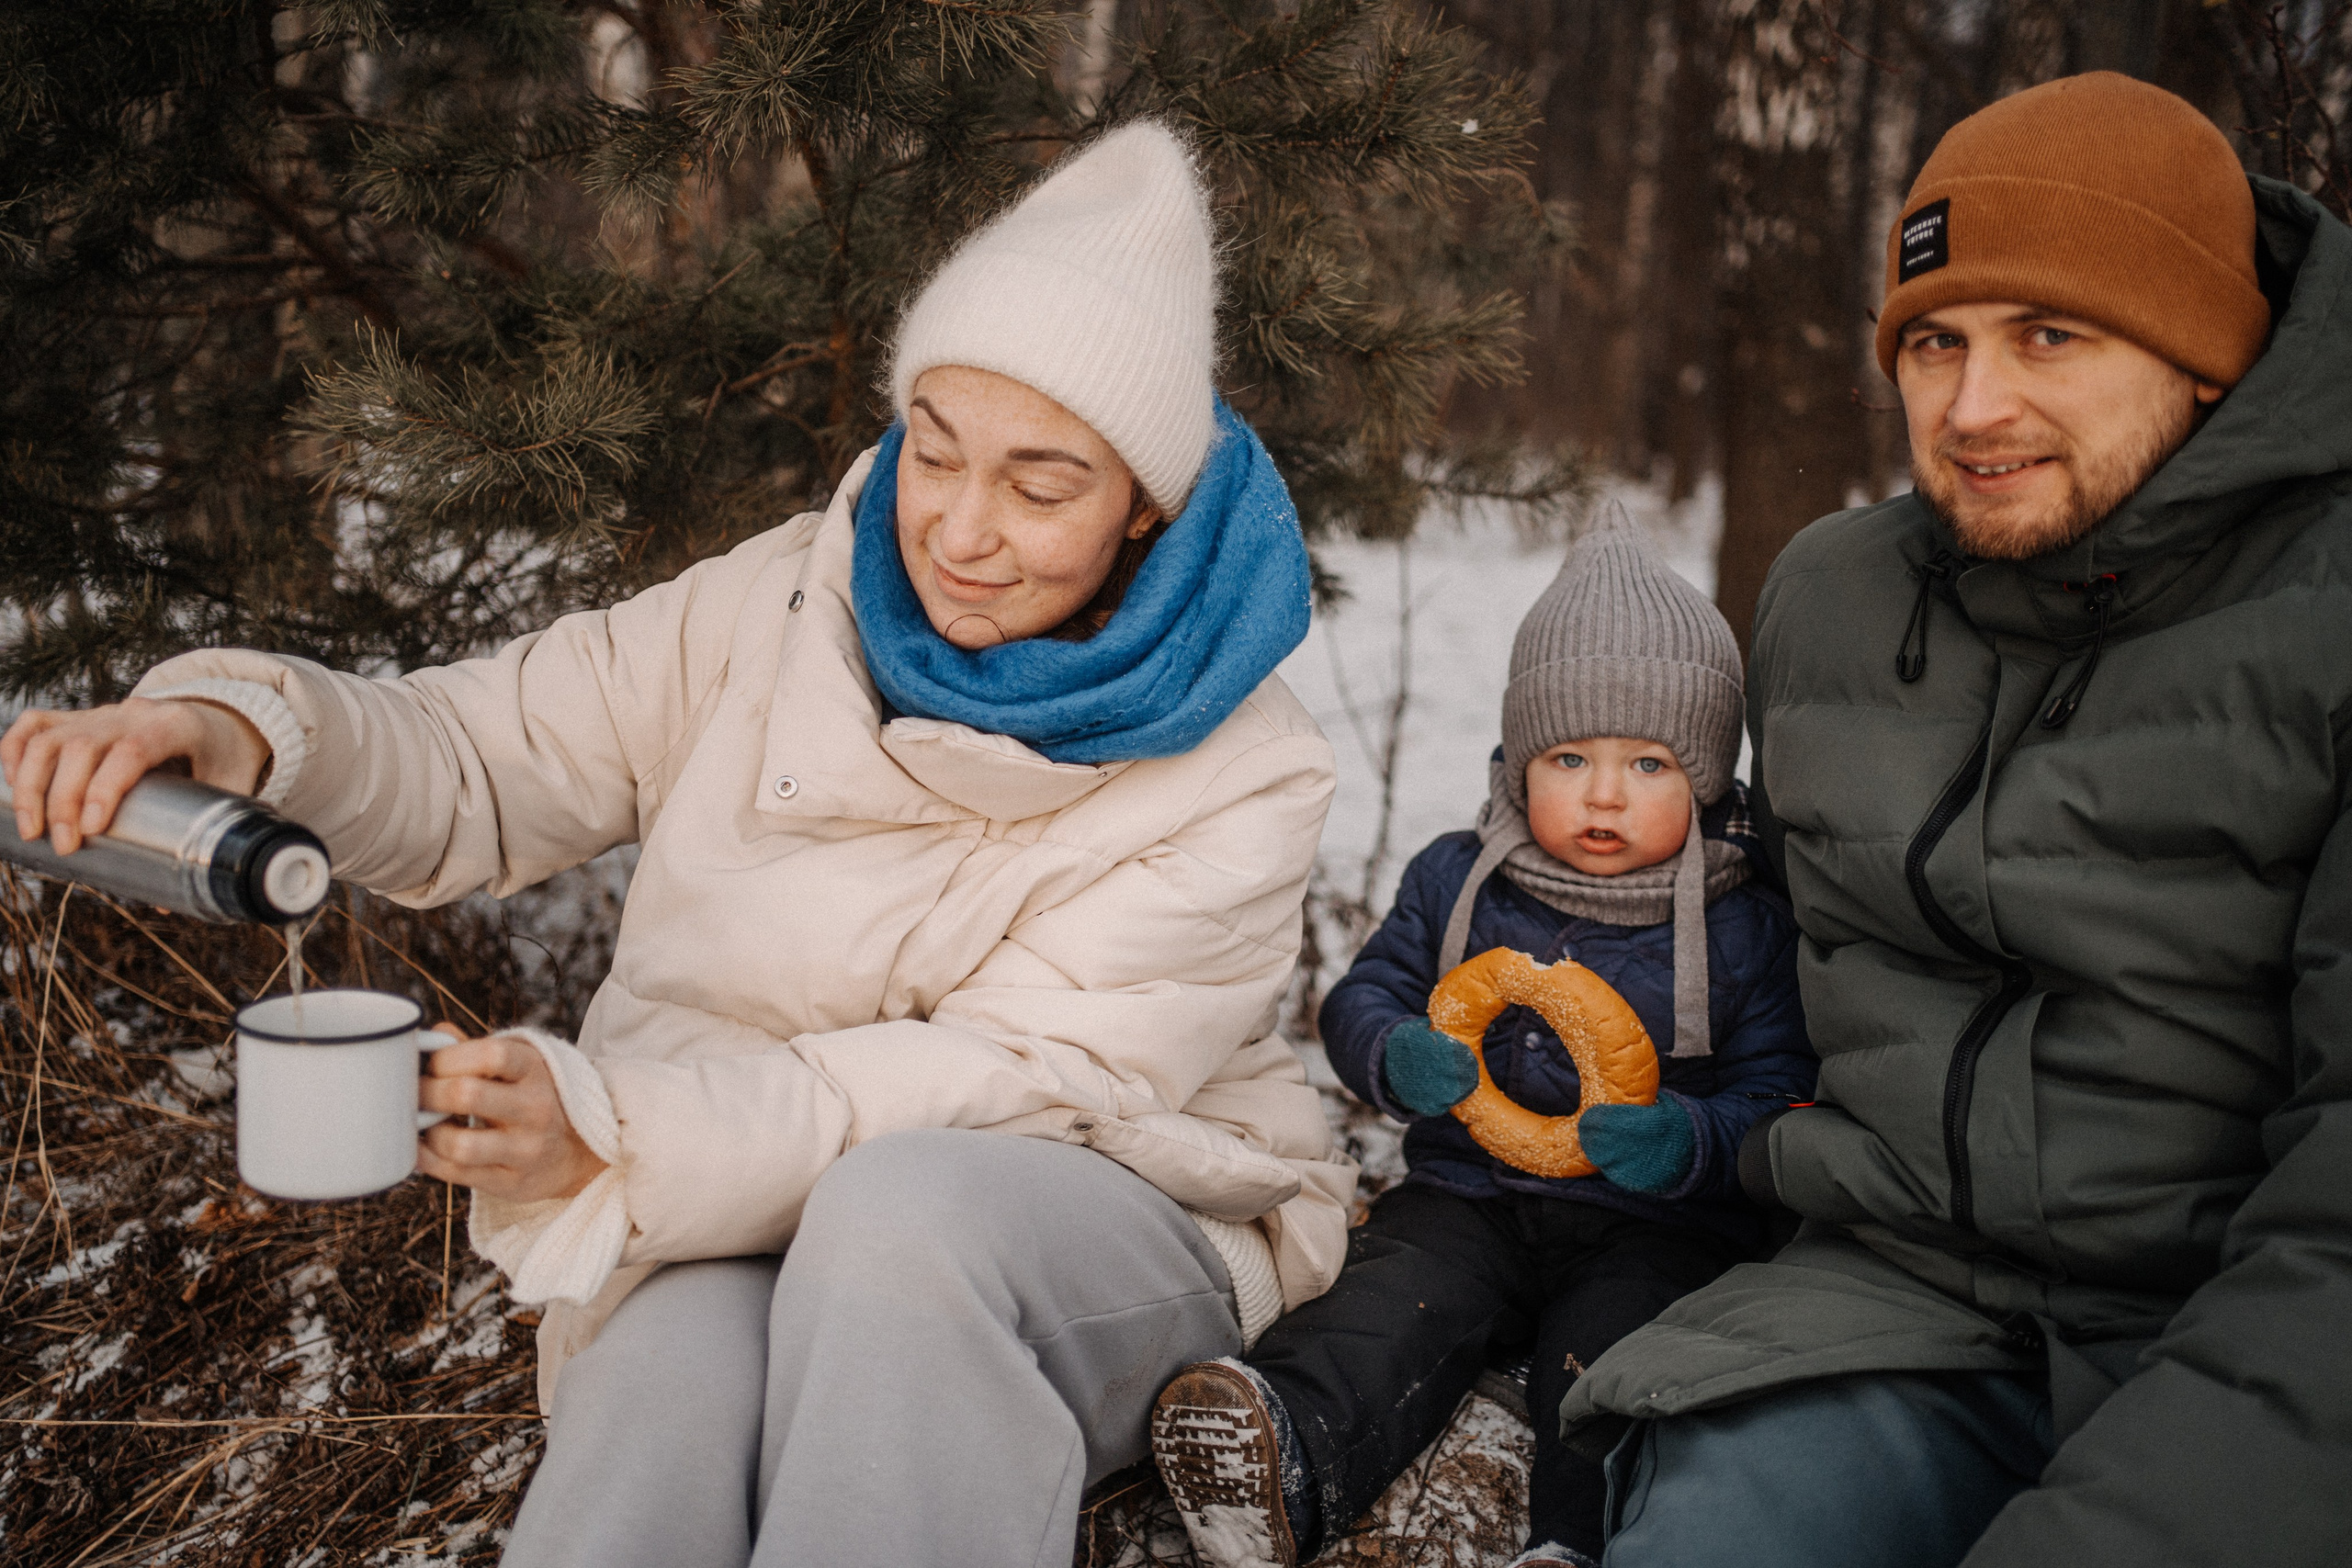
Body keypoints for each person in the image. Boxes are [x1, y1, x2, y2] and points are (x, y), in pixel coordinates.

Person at [1, 122, 1360, 1567]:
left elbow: (1023, 1078)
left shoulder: (1242, 766)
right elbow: (482, 756)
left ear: (1144, 502)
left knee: (902, 1218)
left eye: (1037, 488)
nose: (960, 531)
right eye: (934, 451)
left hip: (1088, 1216)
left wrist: (622, 1133)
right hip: (727, 1190)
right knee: (665, 1385)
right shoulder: (780, 603)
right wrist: (248, 730)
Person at [1557, 72, 2352, 1567]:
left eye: (2049, 334)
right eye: (1935, 341)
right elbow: (1763, 957)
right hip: (1890, 1303)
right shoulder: (1835, 596)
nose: (1973, 408)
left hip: (2253, 1322)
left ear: (2208, 352)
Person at [1147, 515, 1815, 1568]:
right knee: (1391, 1297)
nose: (1604, 793)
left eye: (1648, 763)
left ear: (1705, 779)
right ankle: (1282, 1454)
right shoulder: (1456, 879)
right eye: (1569, 757)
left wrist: (1688, 1139)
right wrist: (1393, 1052)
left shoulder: (1741, 921)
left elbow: (1780, 1094)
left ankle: (1574, 1541)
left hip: (1653, 1223)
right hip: (1469, 1191)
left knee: (1615, 1352)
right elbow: (1368, 994)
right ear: (1517, 763)